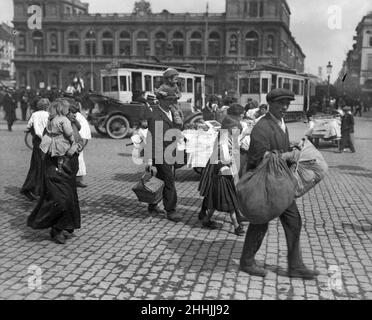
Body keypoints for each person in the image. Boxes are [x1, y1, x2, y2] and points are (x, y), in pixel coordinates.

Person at [239, 88, 320, 279]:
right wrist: (287, 155)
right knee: (260, 223)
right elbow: (259, 157)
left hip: (280, 183)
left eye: (287, 104)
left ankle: (295, 266)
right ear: (270, 105)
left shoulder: (281, 123)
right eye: (280, 104)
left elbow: (278, 148)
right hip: (266, 184)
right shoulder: (262, 127)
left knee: (294, 221)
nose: (284, 107)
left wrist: (293, 148)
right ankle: (247, 262)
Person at [27, 99, 81, 244]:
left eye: (73, 112)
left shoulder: (71, 124)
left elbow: (79, 140)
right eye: (69, 111)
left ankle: (66, 226)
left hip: (69, 165)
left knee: (69, 198)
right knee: (59, 198)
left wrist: (76, 147)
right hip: (54, 166)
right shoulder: (53, 125)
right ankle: (56, 228)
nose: (72, 115)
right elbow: (45, 146)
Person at [198, 104, 247, 236]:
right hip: (219, 168)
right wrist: (228, 163)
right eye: (241, 115)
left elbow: (234, 145)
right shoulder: (224, 137)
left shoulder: (229, 131)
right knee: (223, 195)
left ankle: (205, 215)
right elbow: (224, 154)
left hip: (221, 167)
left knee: (214, 195)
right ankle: (237, 224)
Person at [144, 88, 182, 223]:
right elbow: (152, 137)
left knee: (160, 178)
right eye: (170, 100)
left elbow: (176, 130)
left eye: (174, 100)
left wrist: (180, 125)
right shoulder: (155, 115)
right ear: (161, 100)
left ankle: (152, 204)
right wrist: (149, 158)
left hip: (170, 151)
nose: (173, 102)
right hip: (160, 152)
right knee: (169, 179)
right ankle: (171, 210)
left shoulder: (173, 112)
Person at [20, 98, 50, 201]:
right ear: (47, 106)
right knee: (45, 164)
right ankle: (38, 189)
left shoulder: (34, 114)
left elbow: (28, 125)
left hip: (37, 141)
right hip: (46, 139)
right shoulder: (48, 115)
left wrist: (29, 129)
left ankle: (35, 188)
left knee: (36, 164)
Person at [75, 103, 92, 188]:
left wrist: (83, 142)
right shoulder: (78, 116)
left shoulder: (78, 117)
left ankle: (77, 180)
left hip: (77, 141)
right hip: (74, 141)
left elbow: (84, 130)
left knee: (78, 160)